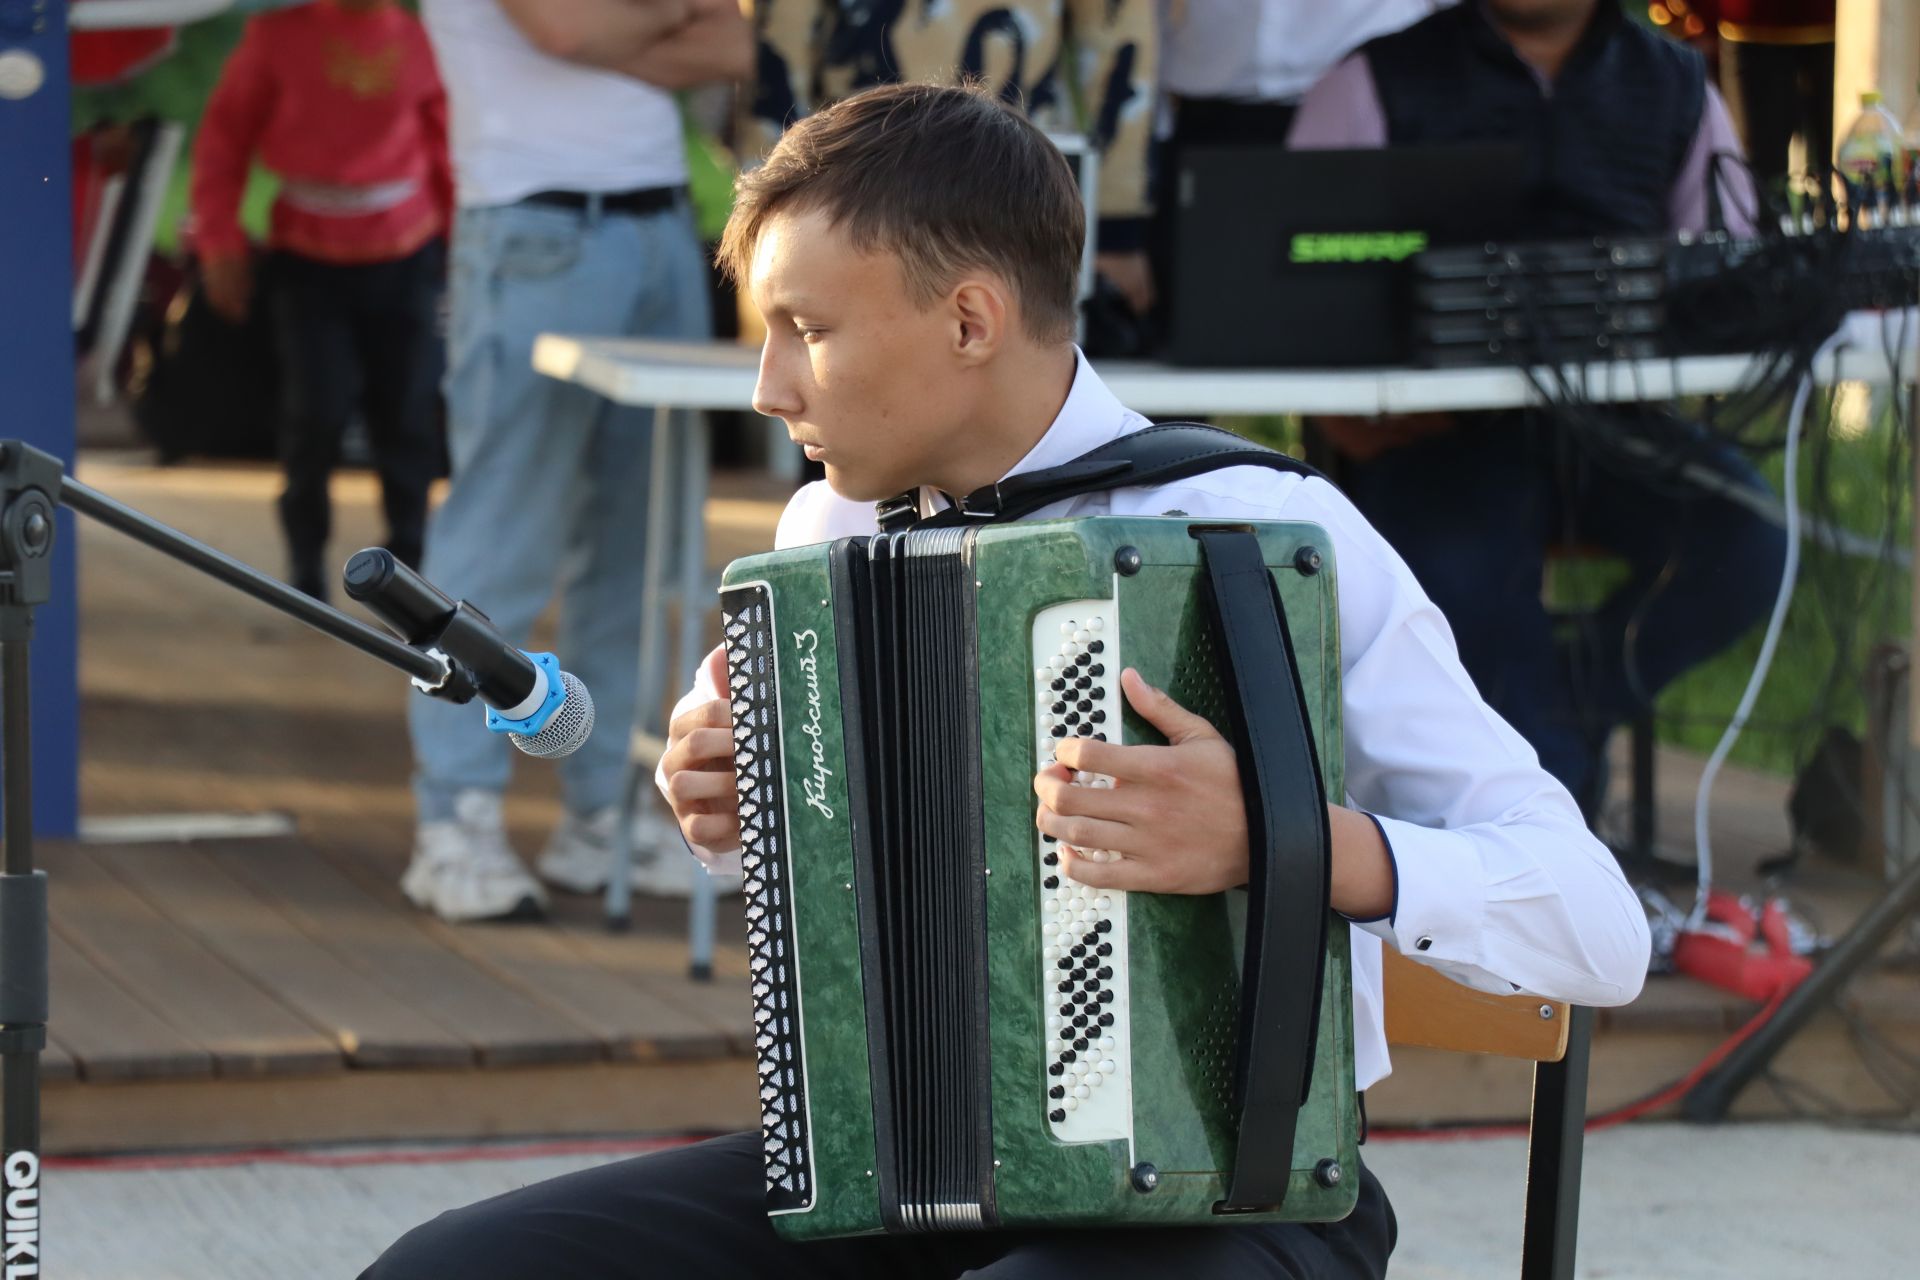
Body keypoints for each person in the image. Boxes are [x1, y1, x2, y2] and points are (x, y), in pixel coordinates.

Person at [361, 82, 1650, 1279]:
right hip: (900, 1171)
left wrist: (1287, 841)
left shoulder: (1260, 529)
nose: (769, 387)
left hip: (1233, 1197)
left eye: (807, 330)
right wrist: (741, 811)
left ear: (970, 317)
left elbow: (1599, 926)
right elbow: (873, 877)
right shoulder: (833, 534)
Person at [1288, 0, 1788, 824]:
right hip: (1433, 440)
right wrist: (1345, 414)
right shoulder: (1373, 81)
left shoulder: (1676, 83)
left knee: (1749, 538)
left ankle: (1561, 720)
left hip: (1613, 433)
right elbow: (1288, 267)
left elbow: (1725, 270)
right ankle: (1542, 818)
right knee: (1469, 584)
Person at [399, 0, 752, 922]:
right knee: (499, 541)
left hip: (661, 228)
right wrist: (672, 17)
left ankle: (607, 811)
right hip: (529, 229)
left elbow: (736, 44)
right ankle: (454, 820)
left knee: (645, 549)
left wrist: (623, 27)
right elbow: (564, 27)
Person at [189, 0, 454, 600]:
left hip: (406, 253)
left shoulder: (421, 41)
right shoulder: (276, 38)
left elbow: (446, 150)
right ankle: (306, 571)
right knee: (316, 414)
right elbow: (222, 144)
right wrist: (219, 243)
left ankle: (410, 576)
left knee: (409, 416)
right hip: (307, 261)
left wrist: (462, 252)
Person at [747, 0, 1160, 318]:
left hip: (1014, 186)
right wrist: (769, 227)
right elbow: (778, 52)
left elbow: (1117, 47)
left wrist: (1115, 232)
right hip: (854, 191)